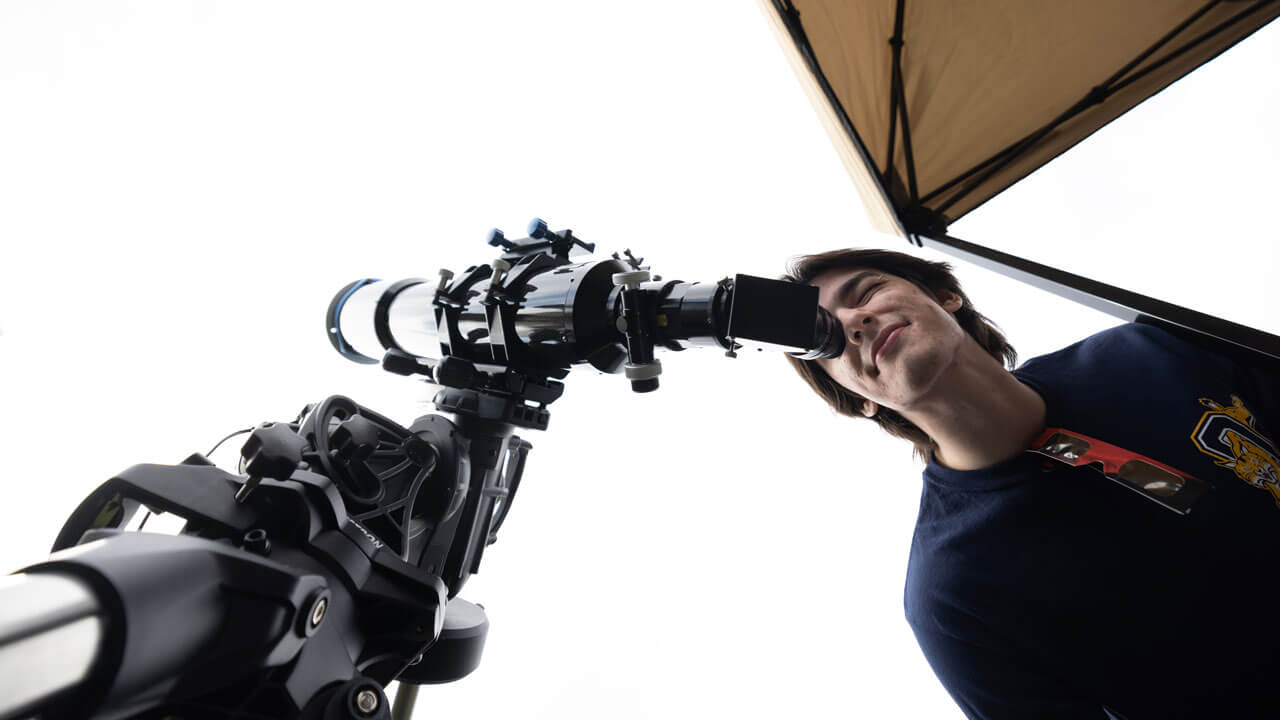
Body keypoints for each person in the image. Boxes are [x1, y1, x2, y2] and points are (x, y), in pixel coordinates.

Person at [784, 248, 1280, 720]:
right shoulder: (953, 596)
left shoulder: (1146, 348)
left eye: (866, 291)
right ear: (855, 400)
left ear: (943, 295)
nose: (853, 322)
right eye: (824, 337)